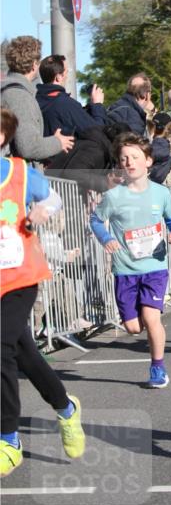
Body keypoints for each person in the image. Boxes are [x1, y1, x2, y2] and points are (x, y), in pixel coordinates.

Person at [0, 107, 85, 477]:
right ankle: (66, 407)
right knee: (25, 355)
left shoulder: (20, 172)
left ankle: (8, 440)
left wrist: (40, 211)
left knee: (1, 346)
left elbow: (53, 199)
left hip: (19, 278)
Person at [90, 133, 171, 387]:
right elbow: (96, 221)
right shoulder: (114, 196)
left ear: (148, 161)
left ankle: (158, 367)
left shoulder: (160, 193)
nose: (129, 162)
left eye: (135, 157)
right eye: (124, 158)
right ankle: (152, 331)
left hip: (154, 266)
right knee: (132, 327)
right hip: (125, 269)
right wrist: (106, 237)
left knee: (152, 317)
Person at [0, 36, 74, 162]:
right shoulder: (19, 97)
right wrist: (58, 142)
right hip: (18, 179)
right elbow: (28, 147)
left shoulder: (6, 89)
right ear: (34, 65)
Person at [36, 54, 106, 138]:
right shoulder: (65, 104)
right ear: (58, 77)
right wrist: (97, 105)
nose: (67, 76)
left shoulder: (34, 102)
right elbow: (98, 134)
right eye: (66, 71)